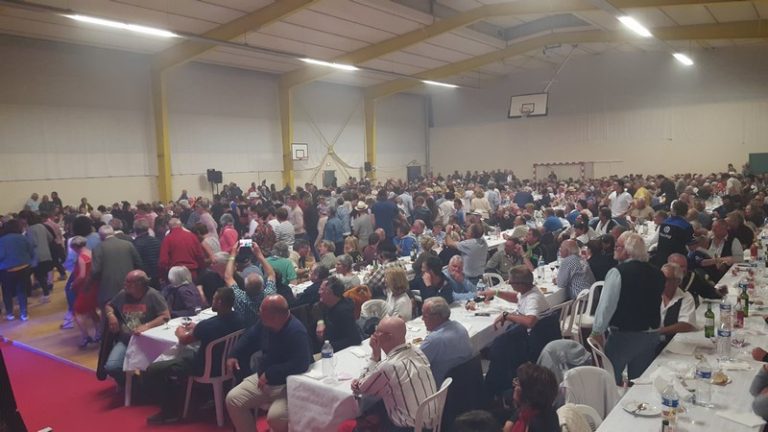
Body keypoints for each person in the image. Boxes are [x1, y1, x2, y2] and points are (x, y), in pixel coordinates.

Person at [145, 286, 244, 424]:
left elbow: (184, 340)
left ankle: (169, 412)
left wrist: (179, 331)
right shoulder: (239, 318)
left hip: (204, 367)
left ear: (220, 302)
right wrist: (196, 327)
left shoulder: (208, 326)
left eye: (214, 299)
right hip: (226, 364)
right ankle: (199, 397)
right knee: (185, 354)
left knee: (153, 369)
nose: (212, 301)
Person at [225, 295, 312, 432]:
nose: (258, 314)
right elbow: (249, 336)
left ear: (275, 316)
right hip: (264, 379)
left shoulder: (296, 331)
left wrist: (270, 374)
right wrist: (233, 354)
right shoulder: (265, 323)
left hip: (287, 383)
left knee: (276, 417)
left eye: (261, 312)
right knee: (233, 399)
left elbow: (300, 364)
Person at [590, 232, 664, 384]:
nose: (614, 248)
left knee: (610, 380)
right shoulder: (657, 272)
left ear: (628, 251)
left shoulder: (618, 272)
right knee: (640, 383)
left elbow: (606, 305)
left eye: (618, 246)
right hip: (651, 334)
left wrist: (597, 331)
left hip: (624, 336)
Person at [351, 316, 438, 431]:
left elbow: (361, 389)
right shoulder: (417, 351)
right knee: (377, 405)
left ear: (388, 337)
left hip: (408, 428)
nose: (373, 335)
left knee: (361, 417)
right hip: (432, 422)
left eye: (377, 331)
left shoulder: (389, 366)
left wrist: (375, 355)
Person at [103, 270, 170, 385]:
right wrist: (111, 315)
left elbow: (165, 316)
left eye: (128, 282)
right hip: (126, 340)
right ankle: (131, 385)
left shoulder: (153, 295)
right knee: (112, 367)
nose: (125, 284)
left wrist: (147, 326)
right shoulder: (123, 294)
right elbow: (109, 305)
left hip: (147, 342)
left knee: (150, 371)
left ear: (139, 284)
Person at [420, 296, 473, 385]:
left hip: (443, 388)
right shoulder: (460, 327)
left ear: (437, 317)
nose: (422, 319)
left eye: (425, 316)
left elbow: (415, 364)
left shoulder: (434, 340)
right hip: (467, 382)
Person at [92, 225, 143, 309]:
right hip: (130, 287)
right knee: (130, 314)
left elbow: (95, 271)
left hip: (107, 291)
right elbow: (139, 264)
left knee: (109, 314)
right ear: (113, 233)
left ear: (100, 236)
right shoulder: (128, 244)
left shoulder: (98, 248)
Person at [502, 363, 560, 432]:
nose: (514, 385)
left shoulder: (539, 426)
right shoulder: (531, 409)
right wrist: (509, 424)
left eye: (518, 383)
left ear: (528, 393)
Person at [0, 219, 35, 321]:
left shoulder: (2, 240)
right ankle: (24, 314)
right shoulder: (23, 238)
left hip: (6, 269)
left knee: (7, 291)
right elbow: (31, 252)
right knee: (21, 290)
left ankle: (10, 313)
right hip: (23, 267)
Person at [69, 236, 100, 348]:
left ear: (75, 247)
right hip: (94, 286)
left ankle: (86, 336)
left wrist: (73, 283)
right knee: (92, 311)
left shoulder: (81, 257)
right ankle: (99, 333)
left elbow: (82, 275)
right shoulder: (92, 253)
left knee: (77, 312)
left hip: (85, 289)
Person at [317, 276, 363, 351]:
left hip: (336, 350)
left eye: (321, 289)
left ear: (330, 293)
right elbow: (318, 309)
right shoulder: (327, 303)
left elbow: (355, 339)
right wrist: (320, 322)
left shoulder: (343, 312)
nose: (319, 292)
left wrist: (328, 345)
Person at [657, 263, 697, 348]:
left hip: (672, 344)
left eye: (666, 279)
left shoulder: (685, 298)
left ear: (678, 281)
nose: (661, 281)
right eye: (660, 278)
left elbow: (687, 325)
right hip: (651, 343)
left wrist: (659, 331)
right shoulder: (652, 294)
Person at [158, 218, 207, 283]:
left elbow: (163, 261)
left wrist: (163, 276)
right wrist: (201, 270)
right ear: (181, 226)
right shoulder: (192, 236)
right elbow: (200, 256)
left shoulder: (167, 239)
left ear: (169, 228)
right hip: (192, 272)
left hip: (176, 275)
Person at [653, 200, 694, 267]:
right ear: (686, 212)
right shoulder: (686, 226)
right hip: (676, 261)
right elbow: (691, 247)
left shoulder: (664, 222)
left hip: (660, 259)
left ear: (673, 210)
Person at [132, 219, 161, 287]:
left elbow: (136, 262)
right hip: (156, 275)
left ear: (135, 230)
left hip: (142, 276)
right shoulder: (157, 241)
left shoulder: (135, 244)